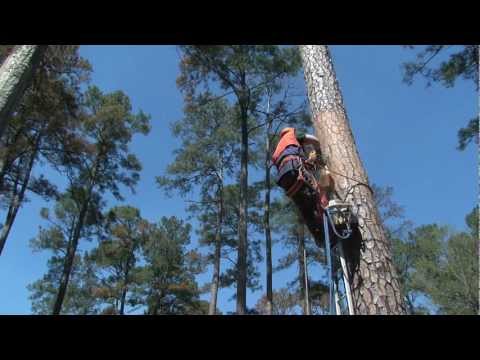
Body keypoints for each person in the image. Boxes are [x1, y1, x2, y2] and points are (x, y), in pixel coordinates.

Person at [272, 127, 334, 247]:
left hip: (285, 179)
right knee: (317, 198)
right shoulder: (291, 135)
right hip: (295, 169)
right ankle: (330, 231)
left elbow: (292, 161)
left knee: (305, 208)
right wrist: (320, 149)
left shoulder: (280, 149)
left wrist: (309, 162)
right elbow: (313, 139)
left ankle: (320, 238)